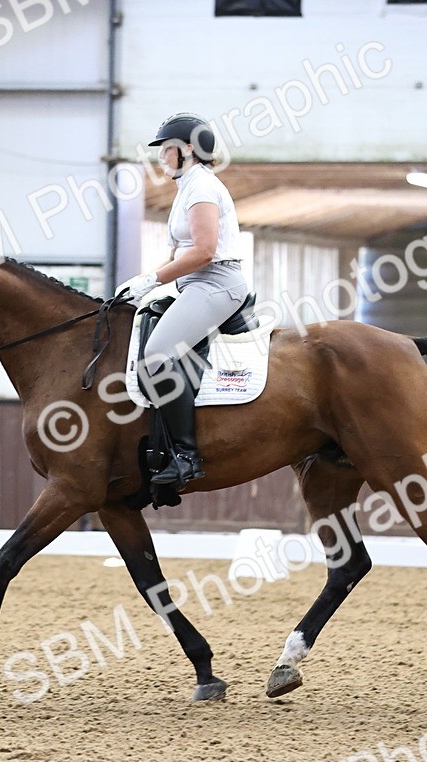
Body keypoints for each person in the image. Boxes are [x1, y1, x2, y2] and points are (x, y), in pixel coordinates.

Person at [115, 113, 249, 491]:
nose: (161, 157)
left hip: (216, 282)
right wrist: (144, 284)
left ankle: (186, 456)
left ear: (187, 150)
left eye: (167, 149)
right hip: (192, 283)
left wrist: (153, 279)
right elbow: (181, 253)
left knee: (156, 355)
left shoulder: (203, 187)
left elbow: (205, 251)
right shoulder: (186, 188)